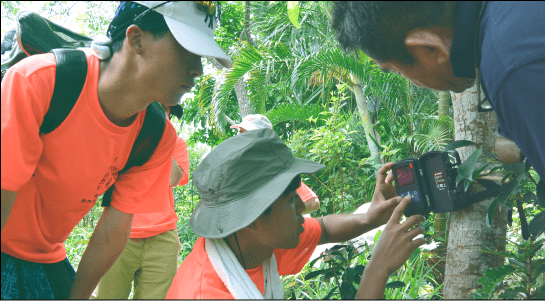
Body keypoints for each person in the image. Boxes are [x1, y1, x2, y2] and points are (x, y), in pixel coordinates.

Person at [1, 1, 231, 299]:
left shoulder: (156, 136)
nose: (197, 69)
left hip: (47, 255)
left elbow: (112, 232)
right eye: (187, 51)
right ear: (136, 39)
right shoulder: (40, 82)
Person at [331, 1, 545, 238]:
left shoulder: (516, 70)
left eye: (398, 72)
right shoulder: (512, 19)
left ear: (429, 48)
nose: (413, 83)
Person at [166, 128, 426, 299]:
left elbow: (323, 228)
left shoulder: (251, 244)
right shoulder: (208, 293)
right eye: (292, 200)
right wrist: (378, 268)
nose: (303, 208)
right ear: (253, 217)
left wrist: (371, 218)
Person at [94, 104, 189, 299]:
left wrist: (162, 138)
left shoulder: (176, 143)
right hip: (119, 231)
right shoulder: (124, 138)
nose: (157, 113)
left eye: (164, 110)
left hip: (162, 238)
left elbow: (174, 177)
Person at [231, 114, 321, 215]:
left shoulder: (273, 167)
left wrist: (274, 220)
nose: (240, 137)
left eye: (248, 133)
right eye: (240, 131)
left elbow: (312, 202)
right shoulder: (237, 169)